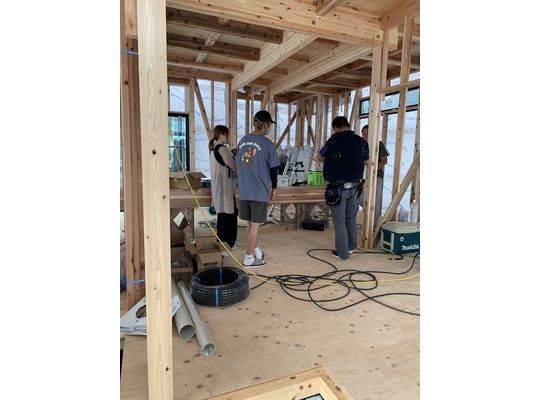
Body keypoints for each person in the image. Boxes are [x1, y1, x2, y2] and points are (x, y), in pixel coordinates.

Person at [320, 116, 369, 260]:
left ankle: (343, 253)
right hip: (356, 187)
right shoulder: (361, 141)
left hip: (338, 189)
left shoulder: (333, 140)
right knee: (351, 217)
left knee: (339, 220)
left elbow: (321, 156)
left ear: (336, 127)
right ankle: (351, 246)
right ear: (347, 124)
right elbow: (367, 161)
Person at [236, 110, 280, 267]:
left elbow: (240, 164)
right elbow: (274, 169)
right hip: (259, 190)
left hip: (244, 190)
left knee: (250, 223)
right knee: (255, 225)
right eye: (270, 125)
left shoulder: (243, 141)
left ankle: (256, 250)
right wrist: (274, 188)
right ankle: (248, 258)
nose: (270, 128)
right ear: (266, 125)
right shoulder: (268, 144)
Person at [208, 125, 238, 250]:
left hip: (217, 186)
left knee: (222, 216)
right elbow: (234, 167)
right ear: (221, 134)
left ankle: (222, 244)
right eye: (227, 134)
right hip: (225, 186)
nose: (228, 137)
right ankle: (229, 244)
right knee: (229, 216)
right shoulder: (222, 149)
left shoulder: (213, 149)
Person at [361, 124, 389, 227]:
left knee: (376, 201)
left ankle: (375, 225)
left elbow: (384, 160)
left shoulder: (379, 144)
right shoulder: (361, 145)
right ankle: (368, 220)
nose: (366, 136)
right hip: (365, 177)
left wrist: (374, 170)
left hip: (377, 177)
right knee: (360, 197)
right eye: (364, 134)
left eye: (368, 134)